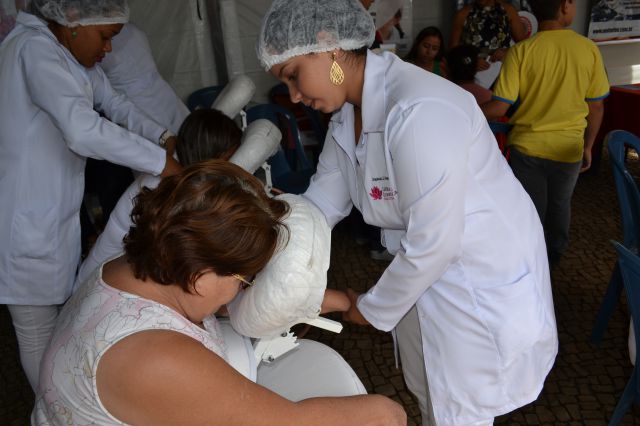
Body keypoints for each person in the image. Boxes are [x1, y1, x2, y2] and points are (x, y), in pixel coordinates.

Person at [258, 0, 558, 424]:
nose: (294, 96)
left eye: (293, 75)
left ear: (329, 47)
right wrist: (267, 253)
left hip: (475, 277)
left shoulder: (420, 109)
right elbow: (320, 205)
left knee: (462, 407)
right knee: (431, 394)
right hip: (420, 272)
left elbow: (436, 243)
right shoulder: (349, 114)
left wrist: (365, 306)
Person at [32, 160, 406, 425]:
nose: (242, 291)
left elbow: (246, 304)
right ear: (201, 277)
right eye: (244, 280)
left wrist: (335, 300)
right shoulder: (154, 358)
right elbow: (289, 421)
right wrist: (386, 413)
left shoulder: (140, 265)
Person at [0, 0, 181, 391]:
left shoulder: (64, 53)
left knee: (57, 326)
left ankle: (63, 402)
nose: (108, 48)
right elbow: (82, 130)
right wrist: (160, 162)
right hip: (24, 219)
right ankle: (54, 408)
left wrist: (163, 136)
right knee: (37, 330)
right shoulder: (34, 49)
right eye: (105, 36)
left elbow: (114, 102)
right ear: (74, 21)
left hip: (50, 215)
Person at [482, 0, 609, 267]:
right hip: (568, 148)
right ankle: (554, 257)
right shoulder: (588, 49)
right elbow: (596, 106)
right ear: (564, 6)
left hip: (527, 148)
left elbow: (499, 107)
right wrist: (588, 146)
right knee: (560, 204)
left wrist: (465, 111)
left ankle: (531, 261)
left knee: (530, 208)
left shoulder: (521, 51)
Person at [75, 108, 241, 288]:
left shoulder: (177, 172)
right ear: (210, 155)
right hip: (98, 282)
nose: (228, 167)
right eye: (227, 159)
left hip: (109, 273)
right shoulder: (165, 189)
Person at [450, 0, 526, 70]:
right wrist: (471, 60)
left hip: (503, 70)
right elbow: (453, 51)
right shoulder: (463, 14)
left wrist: (507, 52)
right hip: (472, 74)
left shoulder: (509, 11)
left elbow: (524, 45)